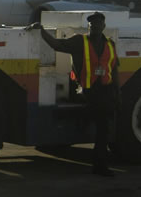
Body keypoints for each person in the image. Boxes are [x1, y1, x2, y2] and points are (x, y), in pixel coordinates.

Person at [28, 12, 120, 176]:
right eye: (92, 26)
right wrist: (41, 31)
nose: (95, 28)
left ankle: (100, 165)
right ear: (89, 27)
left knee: (103, 129)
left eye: (98, 25)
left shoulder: (110, 45)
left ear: (103, 27)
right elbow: (57, 45)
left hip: (105, 90)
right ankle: (99, 164)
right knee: (102, 126)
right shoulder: (80, 41)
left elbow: (114, 70)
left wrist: (118, 94)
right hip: (87, 90)